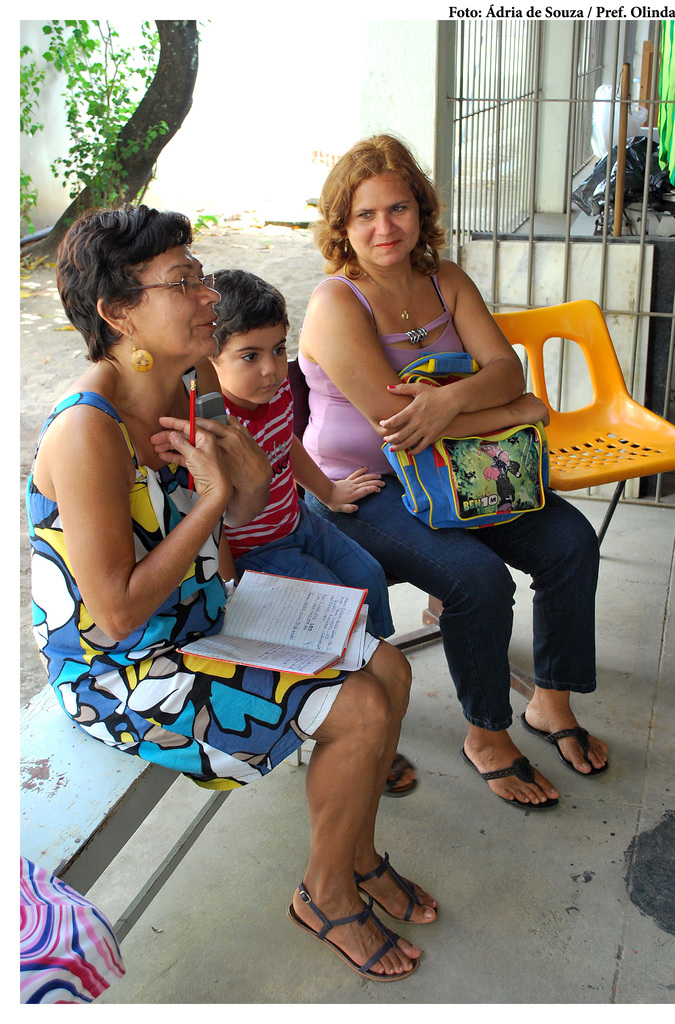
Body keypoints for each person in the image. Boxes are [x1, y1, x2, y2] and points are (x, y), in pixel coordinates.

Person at [26, 204, 436, 982]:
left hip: (197, 616)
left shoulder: (183, 392)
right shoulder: (86, 431)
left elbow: (226, 525)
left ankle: (354, 856)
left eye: (201, 275)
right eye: (182, 281)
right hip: (123, 672)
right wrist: (219, 500)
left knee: (391, 669)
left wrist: (240, 490)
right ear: (118, 313)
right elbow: (112, 615)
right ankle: (325, 892)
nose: (208, 296)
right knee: (358, 707)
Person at [298, 134, 609, 812]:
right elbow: (396, 428)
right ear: (342, 228)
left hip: (464, 470)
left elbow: (505, 369)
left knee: (569, 544)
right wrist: (515, 413)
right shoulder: (335, 303)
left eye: (399, 208)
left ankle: (548, 702)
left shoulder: (447, 280)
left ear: (422, 211)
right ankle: (486, 732)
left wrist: (449, 402)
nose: (385, 228)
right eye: (365, 215)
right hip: (366, 488)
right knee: (475, 579)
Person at [209, 268, 417, 797]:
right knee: (336, 609)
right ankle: (349, 715)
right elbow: (213, 519)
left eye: (279, 350)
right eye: (249, 356)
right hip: (258, 553)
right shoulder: (214, 427)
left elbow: (290, 446)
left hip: (297, 519)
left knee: (367, 575)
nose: (272, 369)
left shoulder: (275, 396)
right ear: (210, 360)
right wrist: (231, 594)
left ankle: (376, 676)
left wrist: (327, 491)